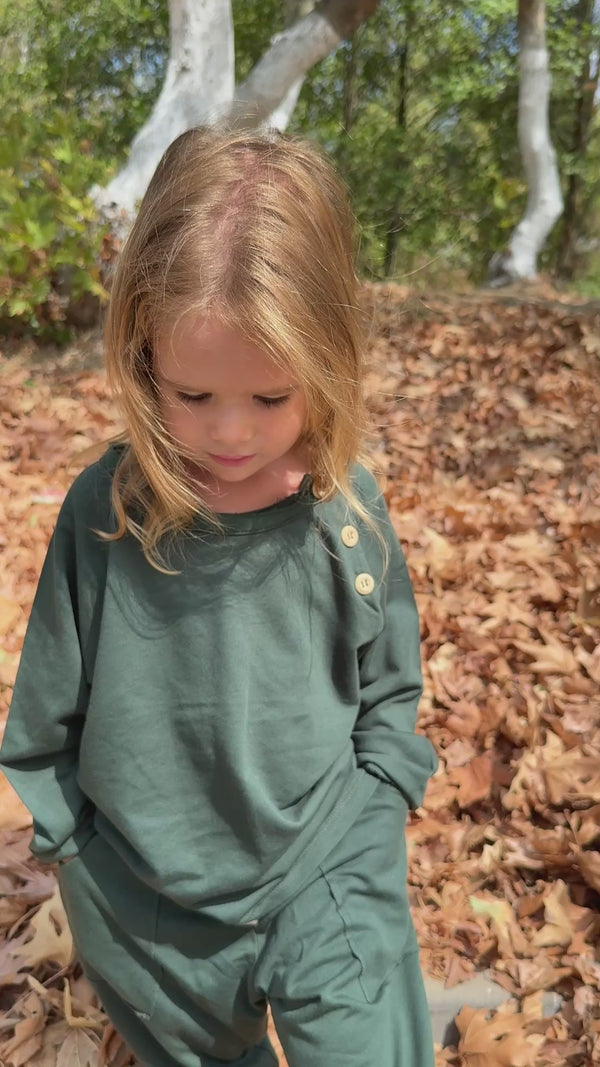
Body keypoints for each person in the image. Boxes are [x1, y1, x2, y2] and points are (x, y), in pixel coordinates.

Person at [0, 126, 438, 1067]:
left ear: (327, 363)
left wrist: (376, 809)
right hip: (145, 901)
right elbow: (45, 716)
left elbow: (389, 685)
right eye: (193, 396)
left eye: (271, 398)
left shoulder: (344, 507)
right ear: (141, 352)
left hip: (328, 863)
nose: (231, 433)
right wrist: (77, 849)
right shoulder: (104, 514)